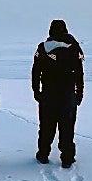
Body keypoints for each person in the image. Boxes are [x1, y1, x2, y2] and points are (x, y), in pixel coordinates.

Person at [31, 19, 84, 168]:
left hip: (48, 95)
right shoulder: (74, 48)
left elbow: (35, 71)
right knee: (67, 127)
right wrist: (79, 93)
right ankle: (67, 157)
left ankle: (43, 154)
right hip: (68, 95)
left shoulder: (43, 48)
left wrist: (36, 90)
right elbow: (79, 73)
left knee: (46, 126)